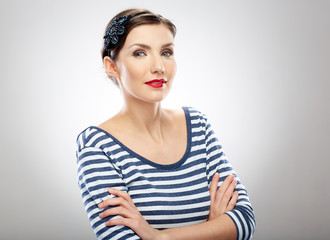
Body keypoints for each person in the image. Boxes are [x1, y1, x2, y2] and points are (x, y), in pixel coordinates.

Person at [76, 8, 255, 240]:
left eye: (166, 52)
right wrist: (214, 229)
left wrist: (159, 236)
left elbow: (244, 222)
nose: (159, 66)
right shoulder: (97, 146)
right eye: (140, 53)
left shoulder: (197, 126)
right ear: (112, 66)